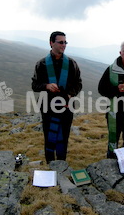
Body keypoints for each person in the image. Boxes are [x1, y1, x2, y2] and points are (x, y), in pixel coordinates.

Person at [32, 31, 82, 163]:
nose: (64, 45)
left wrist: (71, 93)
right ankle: (49, 163)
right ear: (51, 43)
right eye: (61, 42)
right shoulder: (41, 64)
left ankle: (61, 162)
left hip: (67, 106)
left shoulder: (72, 64)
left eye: (65, 42)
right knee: (49, 136)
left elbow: (79, 84)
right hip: (47, 107)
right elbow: (35, 85)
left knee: (63, 135)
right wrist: (46, 86)